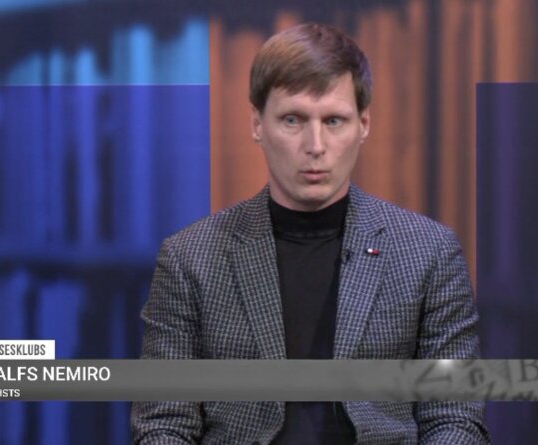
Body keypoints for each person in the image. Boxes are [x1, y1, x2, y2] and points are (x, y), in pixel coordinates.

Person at [131, 22, 490, 445]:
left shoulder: (428, 252)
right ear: (257, 124)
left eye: (334, 120)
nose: (315, 145)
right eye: (292, 120)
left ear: (364, 124)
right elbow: (164, 424)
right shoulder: (190, 258)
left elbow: (454, 417)